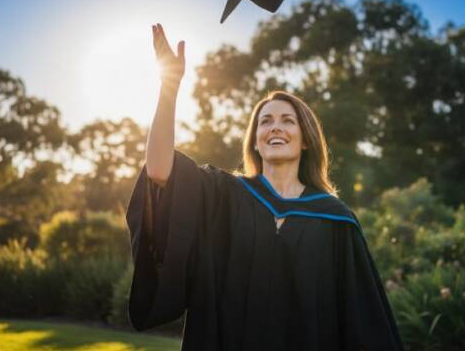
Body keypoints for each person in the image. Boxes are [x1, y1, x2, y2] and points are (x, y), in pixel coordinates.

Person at [127, 23, 404, 350]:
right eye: (266, 121)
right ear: (255, 141)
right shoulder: (225, 195)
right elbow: (159, 170)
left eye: (288, 121)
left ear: (305, 141)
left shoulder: (335, 220)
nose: (276, 128)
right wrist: (170, 85)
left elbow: (362, 321)